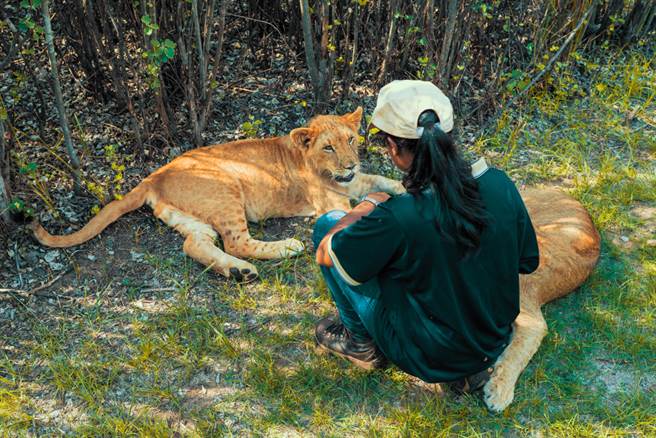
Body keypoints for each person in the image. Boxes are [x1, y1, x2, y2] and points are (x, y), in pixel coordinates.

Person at [313, 80, 540, 392]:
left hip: (427, 355)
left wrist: (367, 205)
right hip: (493, 340)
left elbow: (326, 252)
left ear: (392, 147)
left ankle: (360, 344)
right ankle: (471, 365)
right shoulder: (499, 183)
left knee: (327, 224)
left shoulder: (397, 216)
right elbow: (527, 262)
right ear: (449, 136)